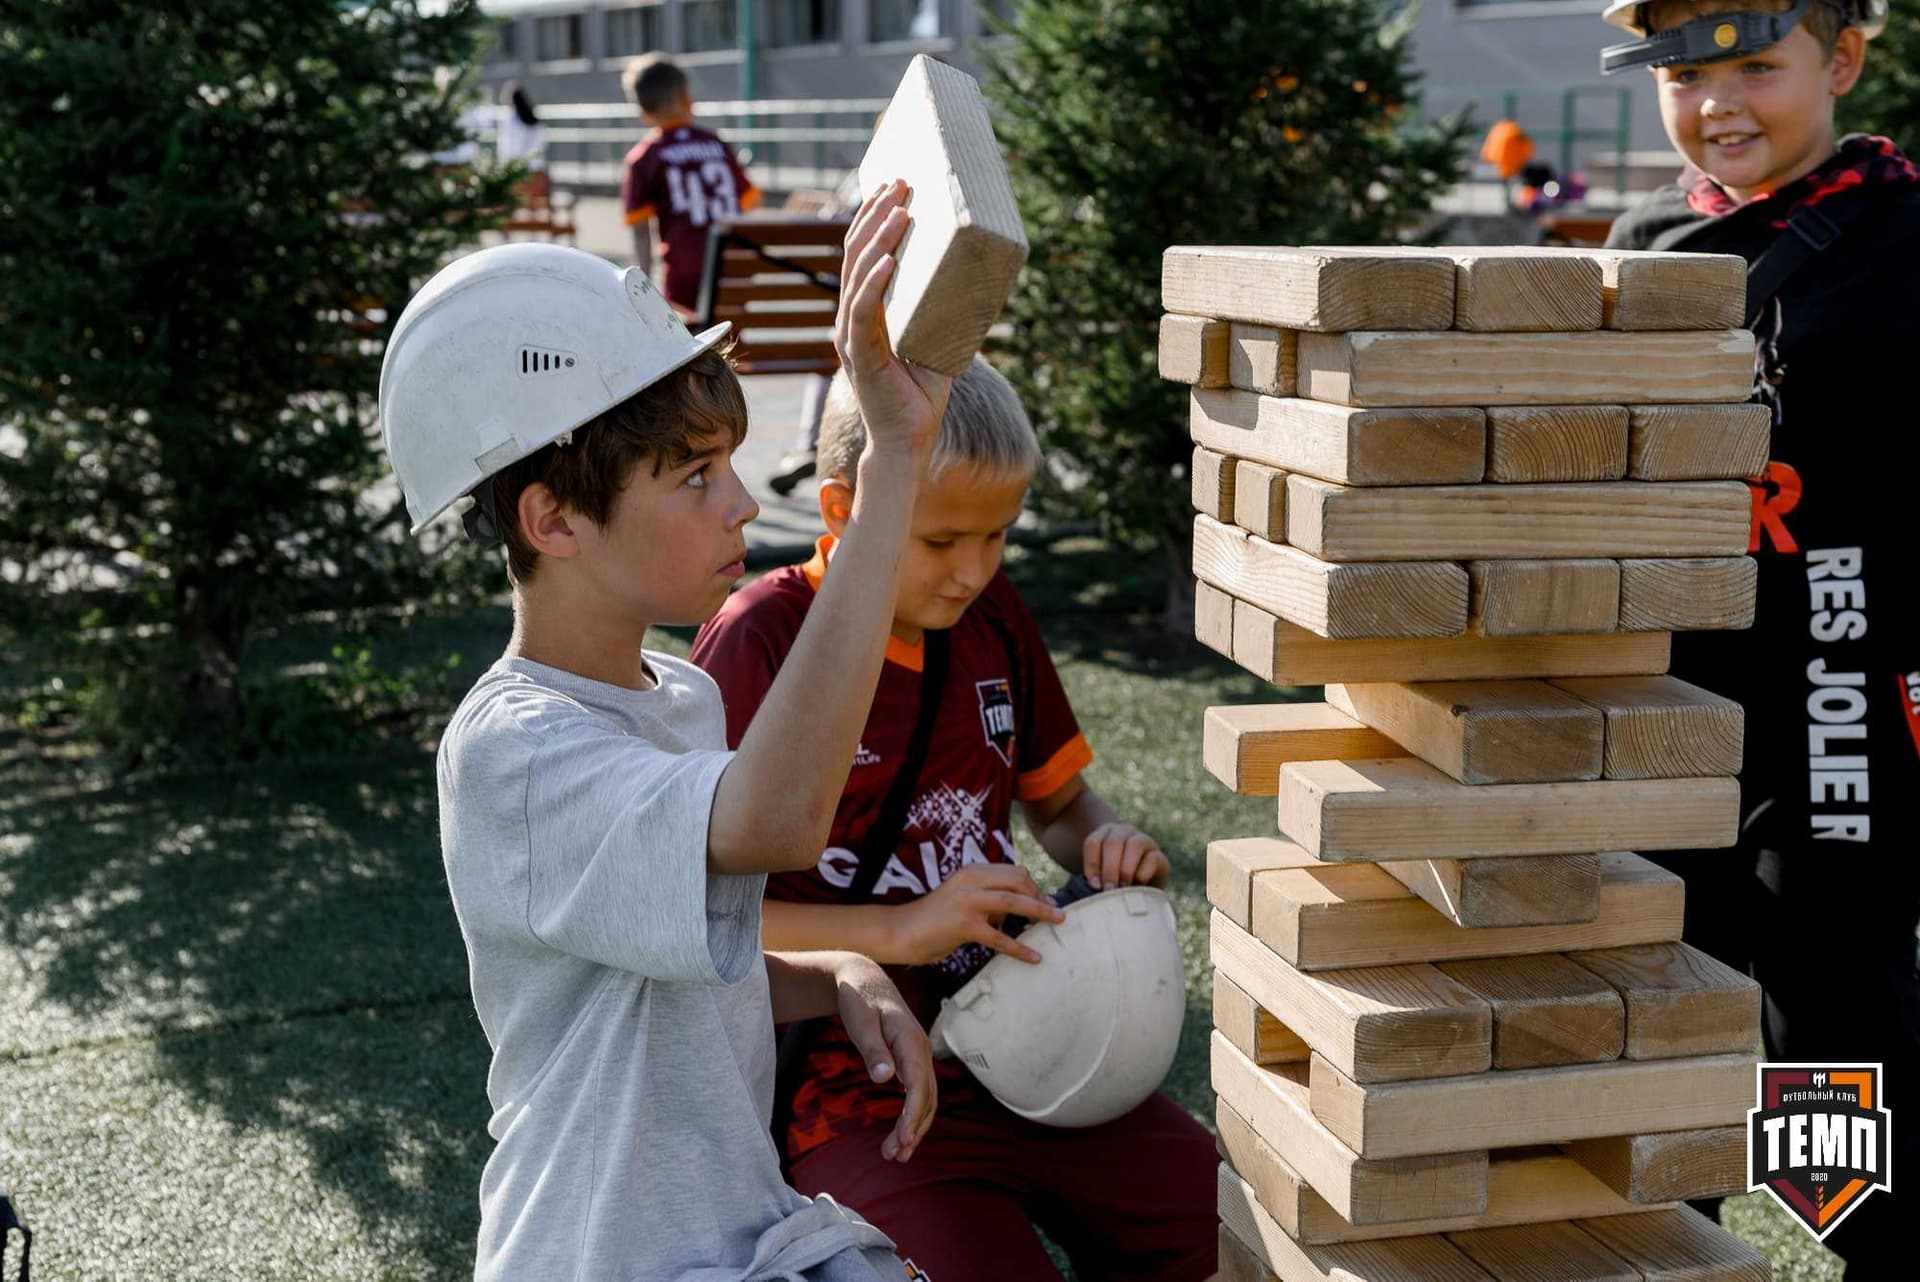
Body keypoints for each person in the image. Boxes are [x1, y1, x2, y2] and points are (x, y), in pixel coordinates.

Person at [378, 185, 952, 1280]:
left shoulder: (682, 695)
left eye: (728, 463)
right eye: (695, 475)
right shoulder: (514, 752)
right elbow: (782, 820)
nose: (742, 502)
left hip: (732, 1237)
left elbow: (677, 966)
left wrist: (828, 969)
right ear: (553, 519)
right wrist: (888, 468)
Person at [690, 359, 1220, 1282]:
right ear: (843, 509)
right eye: (940, 540)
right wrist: (901, 930)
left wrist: (1108, 845)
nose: (973, 571)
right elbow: (700, 926)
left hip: (1036, 1037)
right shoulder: (760, 637)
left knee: (1234, 1229)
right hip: (853, 1087)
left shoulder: (991, 614)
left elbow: (1060, 806)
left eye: (997, 536)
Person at [1599, 2, 1918, 1274]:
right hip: (1667, 701)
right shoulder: (1642, 242)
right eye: (1684, 70)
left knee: (1829, 1021)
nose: (1717, 100)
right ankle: (1678, 1248)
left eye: (1754, 65)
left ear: (1840, 60)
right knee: (1656, 1009)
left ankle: (1873, 1242)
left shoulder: (1907, 234)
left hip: (1840, 701)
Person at [620, 54, 761, 318]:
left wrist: (641, 291)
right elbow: (749, 203)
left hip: (685, 273)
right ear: (686, 95)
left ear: (643, 112)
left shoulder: (644, 157)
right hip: (734, 268)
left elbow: (640, 232)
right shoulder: (716, 143)